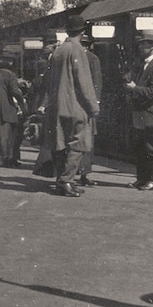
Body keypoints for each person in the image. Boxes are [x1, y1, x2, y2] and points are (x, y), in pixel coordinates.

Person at [37, 15, 100, 197]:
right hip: (75, 106)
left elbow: (49, 80)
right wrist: (93, 107)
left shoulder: (57, 51)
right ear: (82, 31)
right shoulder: (78, 50)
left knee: (61, 143)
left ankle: (61, 181)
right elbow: (84, 82)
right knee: (78, 143)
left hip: (57, 105)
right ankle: (67, 181)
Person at [124, 29, 153, 191]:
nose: (140, 47)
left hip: (152, 115)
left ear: (152, 46)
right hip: (143, 115)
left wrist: (135, 89)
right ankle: (142, 178)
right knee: (142, 148)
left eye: (143, 44)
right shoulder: (145, 65)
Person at [77, 33, 103, 186]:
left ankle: (78, 172)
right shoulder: (93, 59)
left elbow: (97, 82)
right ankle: (84, 173)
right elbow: (97, 82)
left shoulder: (89, 59)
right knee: (87, 139)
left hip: (80, 105)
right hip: (87, 106)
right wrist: (96, 102)